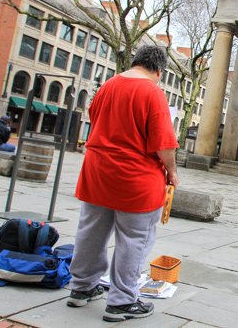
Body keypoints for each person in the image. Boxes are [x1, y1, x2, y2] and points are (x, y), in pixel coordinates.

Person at [66, 45, 179, 322]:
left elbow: (95, 118)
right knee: (134, 238)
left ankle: (81, 288)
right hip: (135, 177)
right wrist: (172, 172)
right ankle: (122, 301)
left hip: (97, 171)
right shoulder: (153, 92)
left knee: (91, 231)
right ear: (159, 71)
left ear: (135, 61)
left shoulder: (108, 85)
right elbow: (164, 145)